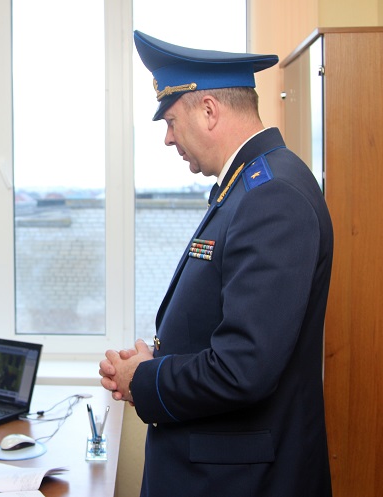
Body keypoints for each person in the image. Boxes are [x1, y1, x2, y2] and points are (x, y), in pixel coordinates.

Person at [99, 32, 333, 497]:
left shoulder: (272, 197)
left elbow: (242, 368)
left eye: (170, 120)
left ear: (208, 111)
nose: (168, 138)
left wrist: (143, 379)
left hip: (239, 481)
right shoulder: (249, 185)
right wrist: (159, 360)